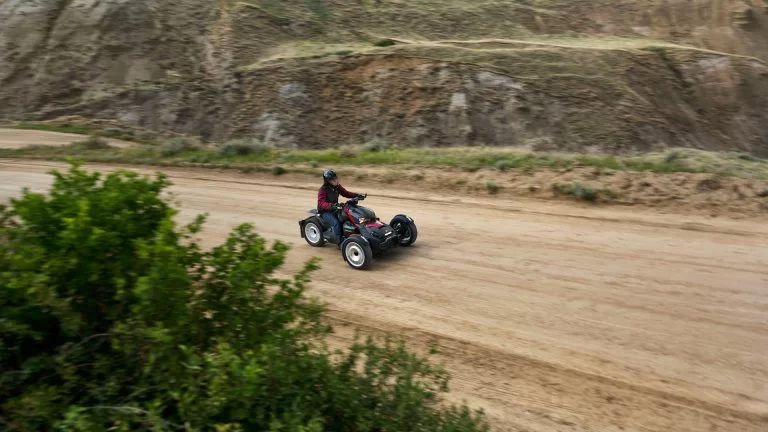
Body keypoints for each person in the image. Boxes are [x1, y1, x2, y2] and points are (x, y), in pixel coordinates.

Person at [317, 169, 364, 247]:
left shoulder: (337, 187)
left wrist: (357, 195)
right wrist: (331, 206)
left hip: (335, 208)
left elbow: (346, 193)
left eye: (336, 178)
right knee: (336, 223)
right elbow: (321, 203)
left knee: (348, 217)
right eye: (333, 179)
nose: (336, 180)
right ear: (327, 180)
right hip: (325, 211)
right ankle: (339, 242)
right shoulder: (323, 190)